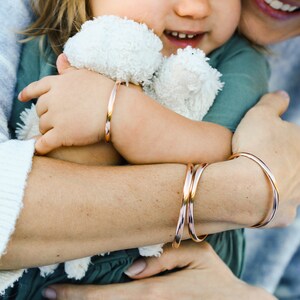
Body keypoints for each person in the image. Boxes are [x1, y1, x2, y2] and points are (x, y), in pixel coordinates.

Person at [0, 1, 299, 299]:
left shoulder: (237, 60)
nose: (194, 9)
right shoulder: (42, 38)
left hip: (166, 268)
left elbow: (223, 156)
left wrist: (118, 114)